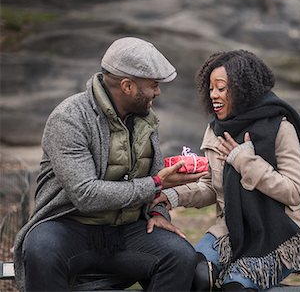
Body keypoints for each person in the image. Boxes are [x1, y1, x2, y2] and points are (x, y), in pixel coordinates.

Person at [13, 37, 207, 291]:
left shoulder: (145, 120)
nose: (158, 92)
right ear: (127, 86)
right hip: (68, 227)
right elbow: (86, 194)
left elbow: (154, 179)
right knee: (40, 249)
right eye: (153, 85)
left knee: (179, 255)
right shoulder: (69, 118)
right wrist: (156, 183)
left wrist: (158, 212)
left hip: (125, 230)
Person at [153, 50, 300, 291]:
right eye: (210, 88)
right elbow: (211, 187)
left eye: (221, 88)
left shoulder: (280, 128)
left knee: (236, 286)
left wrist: (245, 160)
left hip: (281, 234)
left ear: (243, 88)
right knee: (195, 274)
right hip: (230, 229)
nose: (213, 95)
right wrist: (174, 196)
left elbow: (294, 192)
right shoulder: (216, 129)